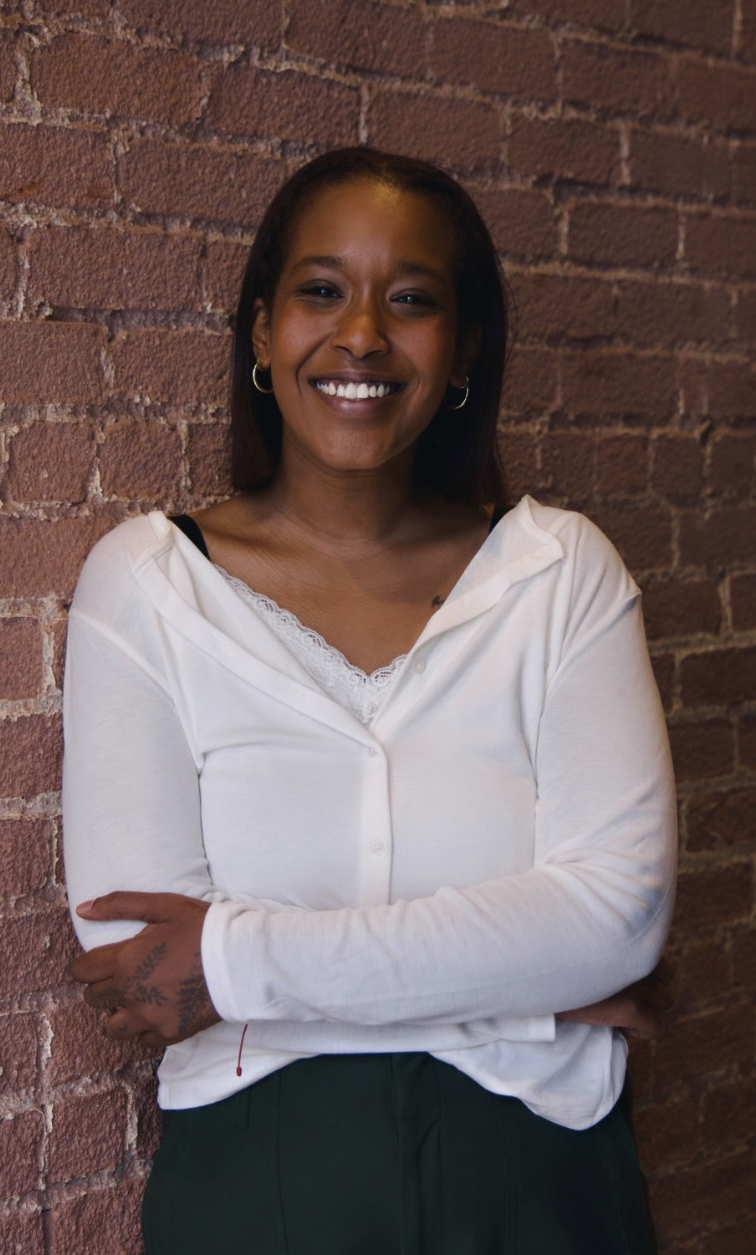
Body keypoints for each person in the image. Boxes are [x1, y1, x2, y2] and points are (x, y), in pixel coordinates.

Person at [63, 147, 676, 1254]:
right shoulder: (147, 586)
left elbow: (616, 919)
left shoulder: (559, 573)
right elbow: (142, 965)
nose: (361, 336)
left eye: (411, 300)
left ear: (465, 348)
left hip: (538, 1178)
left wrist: (241, 962)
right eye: (320, 290)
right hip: (263, 1182)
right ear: (261, 331)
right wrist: (531, 991)